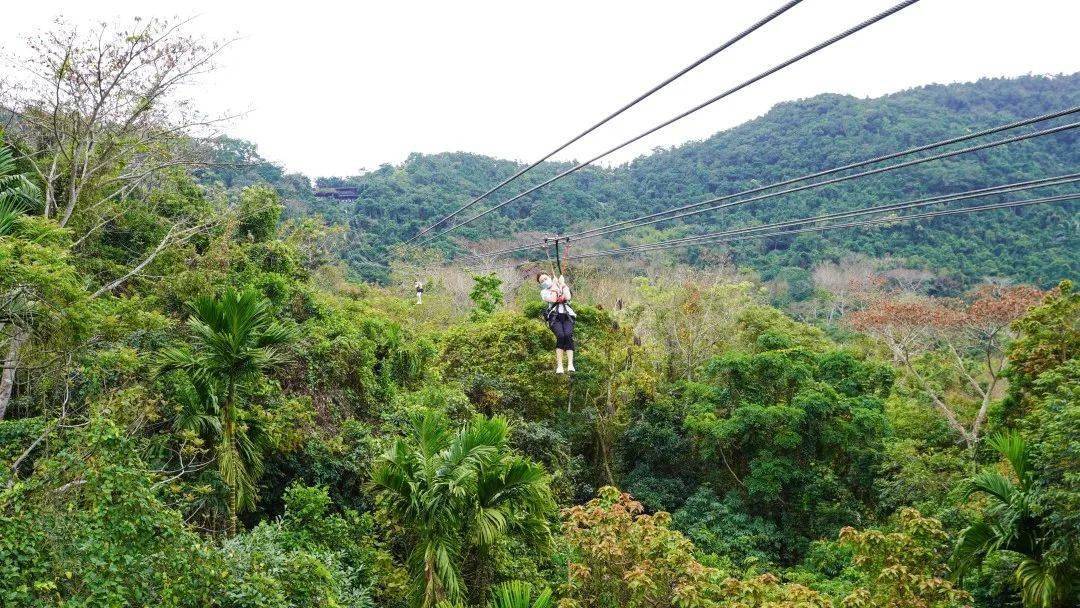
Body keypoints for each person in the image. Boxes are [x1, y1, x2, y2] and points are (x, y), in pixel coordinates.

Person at [537, 272, 575, 373]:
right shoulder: (544, 292)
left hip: (567, 315)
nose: (545, 281)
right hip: (554, 316)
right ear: (540, 284)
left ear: (550, 277)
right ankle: (560, 366)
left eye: (546, 278)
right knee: (561, 336)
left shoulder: (561, 286)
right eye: (542, 281)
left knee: (567, 335)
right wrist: (554, 286)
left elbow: (568, 297)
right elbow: (553, 299)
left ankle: (570, 364)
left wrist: (563, 284)